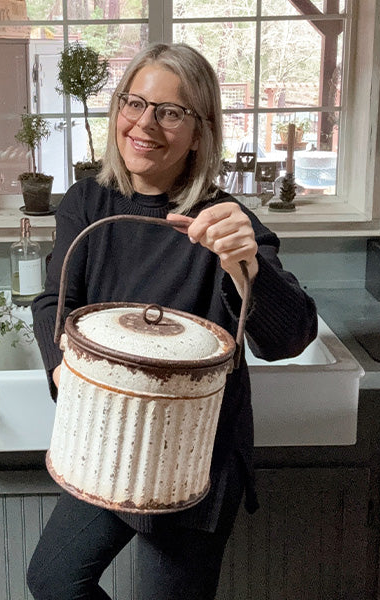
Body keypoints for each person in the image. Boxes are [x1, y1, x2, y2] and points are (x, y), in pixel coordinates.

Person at [28, 42, 318, 600]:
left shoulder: (223, 223)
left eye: (170, 111)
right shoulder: (88, 203)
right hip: (109, 438)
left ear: (200, 129)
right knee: (55, 579)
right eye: (133, 103)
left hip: (195, 456)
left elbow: (290, 337)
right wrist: (62, 369)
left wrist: (245, 266)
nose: (144, 124)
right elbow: (53, 304)